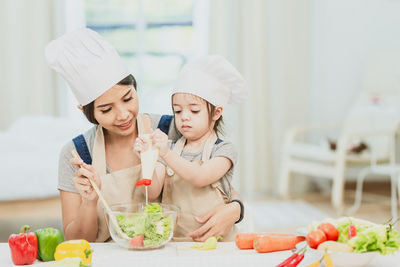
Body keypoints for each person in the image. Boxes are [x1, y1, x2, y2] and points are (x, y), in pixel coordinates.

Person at [45, 28, 244, 242]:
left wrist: (235, 210)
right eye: (106, 109)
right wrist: (89, 201)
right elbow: (76, 240)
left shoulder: (171, 129)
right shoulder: (77, 154)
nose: (123, 115)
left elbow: (217, 184)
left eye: (128, 98)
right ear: (86, 110)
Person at [134, 55, 247, 241]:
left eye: (194, 110)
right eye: (177, 111)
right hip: (176, 241)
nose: (184, 117)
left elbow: (200, 177)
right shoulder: (170, 147)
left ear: (217, 112)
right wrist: (145, 158)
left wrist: (166, 154)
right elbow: (152, 191)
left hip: (217, 243)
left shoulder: (224, 150)